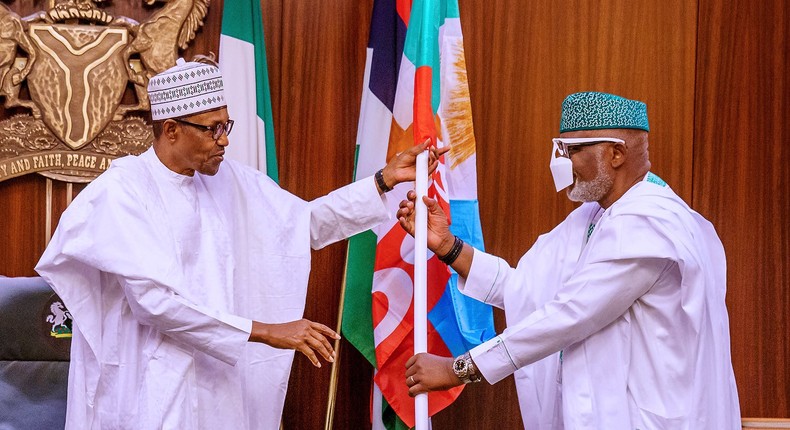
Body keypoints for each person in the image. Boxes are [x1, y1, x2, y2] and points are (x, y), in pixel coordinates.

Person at [35, 55, 444, 430]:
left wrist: (384, 179)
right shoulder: (122, 191)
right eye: (212, 129)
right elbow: (156, 303)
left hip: (219, 383)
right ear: (172, 130)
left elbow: (302, 225)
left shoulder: (229, 181)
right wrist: (266, 331)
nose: (225, 140)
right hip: (150, 384)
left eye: (226, 125)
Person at [397, 92, 741, 429]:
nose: (559, 163)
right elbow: (525, 289)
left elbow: (568, 316)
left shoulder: (649, 224)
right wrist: (447, 246)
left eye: (570, 151)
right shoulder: (594, 216)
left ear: (616, 153)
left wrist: (458, 369)